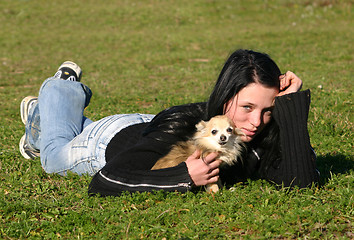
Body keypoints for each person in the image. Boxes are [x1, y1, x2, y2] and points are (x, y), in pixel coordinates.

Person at [19, 49, 319, 196]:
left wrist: (291, 107)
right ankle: (61, 90)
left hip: (147, 129)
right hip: (103, 143)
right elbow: (105, 180)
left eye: (268, 110)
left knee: (61, 131)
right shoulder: (180, 125)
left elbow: (301, 182)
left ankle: (42, 116)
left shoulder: (258, 130)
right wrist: (182, 175)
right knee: (54, 152)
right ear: (225, 98)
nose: (256, 122)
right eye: (247, 107)